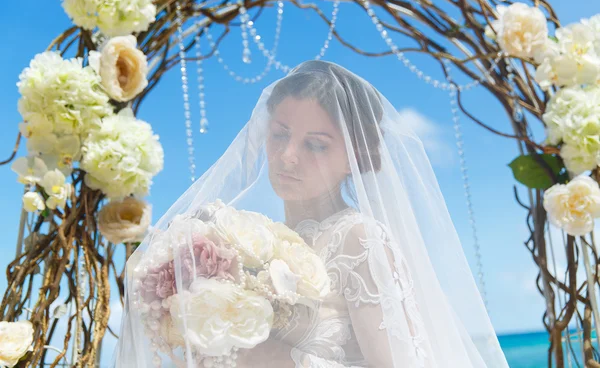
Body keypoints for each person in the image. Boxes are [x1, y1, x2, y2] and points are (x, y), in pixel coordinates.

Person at [114, 61, 509, 367]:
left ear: (355, 158)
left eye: (316, 145)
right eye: (281, 134)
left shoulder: (359, 239)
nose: (288, 156)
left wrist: (271, 359)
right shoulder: (249, 244)